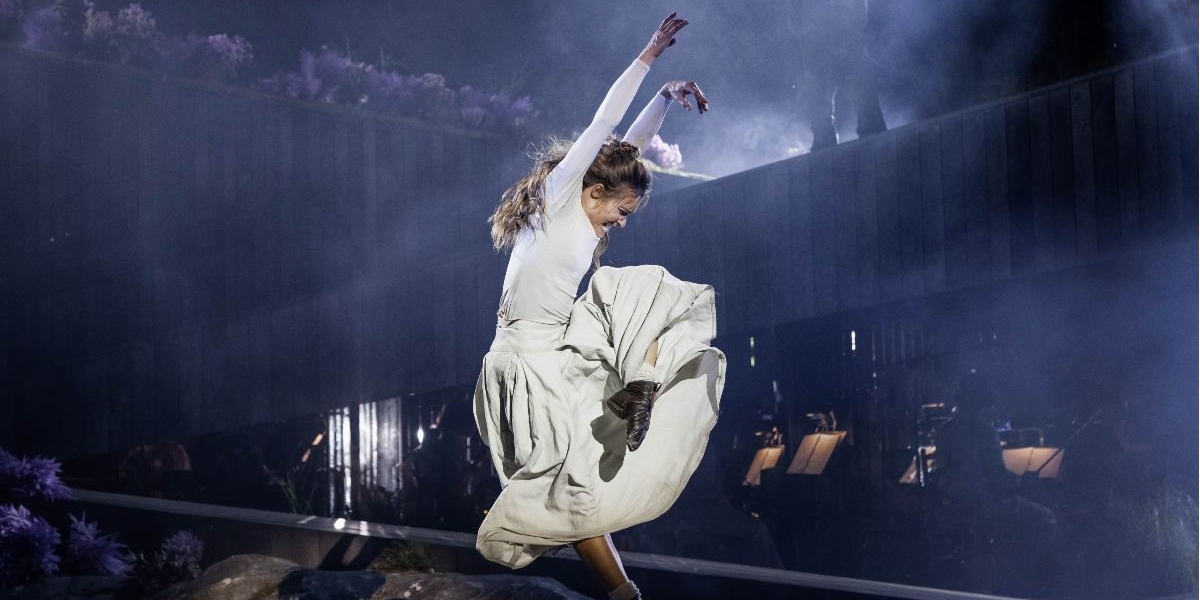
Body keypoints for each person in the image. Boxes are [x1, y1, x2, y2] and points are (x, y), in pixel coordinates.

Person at [473, 13, 726, 600]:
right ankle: (623, 593)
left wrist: (665, 99)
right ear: (593, 191)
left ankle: (638, 384)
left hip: (560, 344)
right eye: (620, 211)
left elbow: (624, 146)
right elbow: (603, 124)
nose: (620, 220)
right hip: (524, 363)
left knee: (648, 294)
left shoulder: (593, 198)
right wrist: (649, 58)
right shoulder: (563, 197)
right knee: (573, 489)